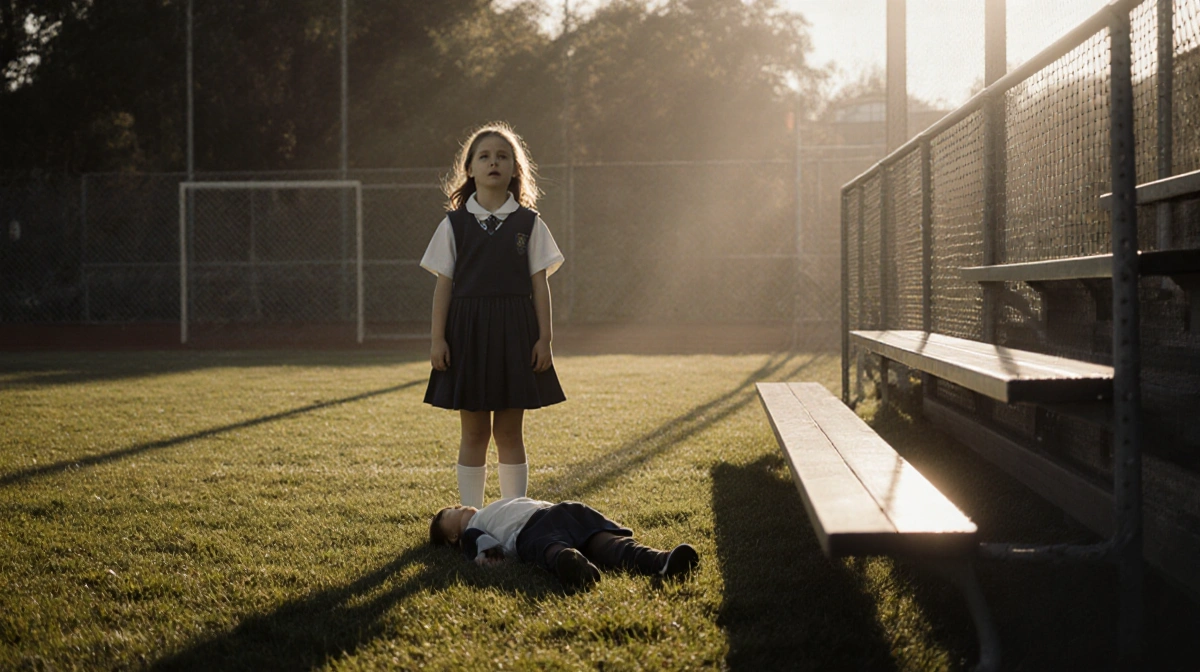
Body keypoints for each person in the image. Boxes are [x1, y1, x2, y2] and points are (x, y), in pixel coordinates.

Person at [419, 122, 566, 508]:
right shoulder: (453, 225)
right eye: (484, 156)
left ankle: (513, 516)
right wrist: (437, 339)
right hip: (467, 335)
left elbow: (539, 285)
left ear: (516, 169)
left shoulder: (529, 224)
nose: (493, 162)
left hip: (515, 334)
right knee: (473, 434)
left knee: (509, 432)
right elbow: (443, 287)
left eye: (502, 156)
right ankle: (473, 518)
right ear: (469, 168)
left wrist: (544, 338)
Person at [429, 497, 700, 589]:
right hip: (528, 531)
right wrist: (483, 559)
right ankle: (571, 564)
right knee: (550, 547)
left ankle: (661, 560)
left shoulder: (488, 509)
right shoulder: (470, 532)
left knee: (605, 542)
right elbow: (480, 549)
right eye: (453, 511)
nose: (461, 506)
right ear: (452, 535)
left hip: (558, 511)